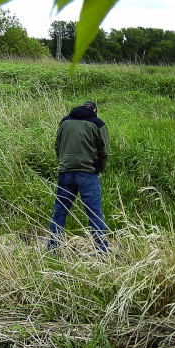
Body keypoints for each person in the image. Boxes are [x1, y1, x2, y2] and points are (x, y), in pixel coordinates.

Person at [48, 101, 109, 252]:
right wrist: (98, 168)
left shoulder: (65, 122)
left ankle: (53, 248)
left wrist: (64, 163)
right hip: (87, 173)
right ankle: (102, 250)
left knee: (60, 211)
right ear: (95, 110)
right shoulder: (98, 123)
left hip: (65, 172)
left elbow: (57, 146)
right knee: (94, 212)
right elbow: (104, 151)